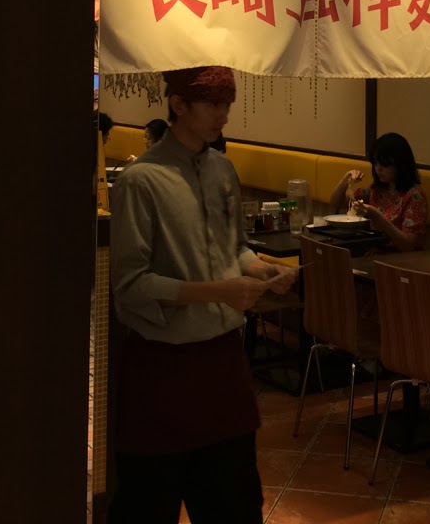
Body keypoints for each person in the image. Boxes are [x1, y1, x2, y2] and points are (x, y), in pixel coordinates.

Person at [109, 66, 296, 524]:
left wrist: (261, 268)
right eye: (213, 104)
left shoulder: (222, 170)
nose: (224, 115)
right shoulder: (140, 180)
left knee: (235, 508)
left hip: (224, 368)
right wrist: (220, 291)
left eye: (227, 104)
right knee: (147, 509)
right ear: (178, 104)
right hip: (162, 370)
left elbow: (233, 248)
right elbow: (131, 286)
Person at [329, 131, 427, 251]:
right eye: (375, 163)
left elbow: (409, 245)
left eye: (384, 164)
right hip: (374, 252)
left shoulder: (414, 196)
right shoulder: (376, 190)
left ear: (400, 164)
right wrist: (346, 180)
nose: (378, 169)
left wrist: (377, 217)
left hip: (401, 257)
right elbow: (336, 202)